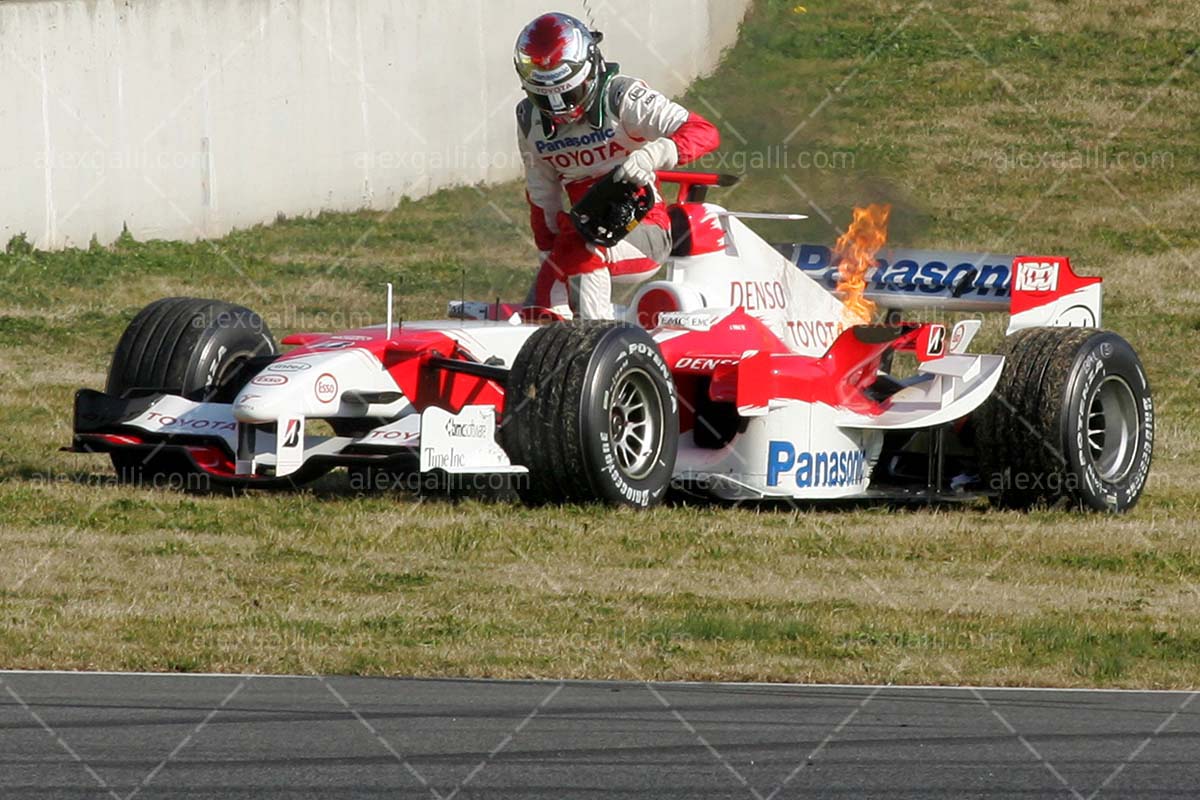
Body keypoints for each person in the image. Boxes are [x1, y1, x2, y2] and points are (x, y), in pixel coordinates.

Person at [514, 12, 720, 319]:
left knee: (586, 250)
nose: (562, 110)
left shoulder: (623, 96)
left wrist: (655, 154)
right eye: (546, 99)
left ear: (590, 71)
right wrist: (552, 263)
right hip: (580, 234)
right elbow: (542, 199)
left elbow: (704, 132)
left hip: (645, 228)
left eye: (569, 94)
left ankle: (594, 342)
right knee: (541, 308)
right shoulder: (529, 120)